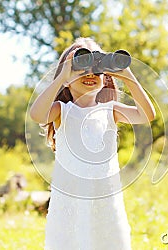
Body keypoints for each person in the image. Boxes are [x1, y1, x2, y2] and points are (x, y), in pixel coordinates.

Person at [30, 37, 155, 250]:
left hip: (105, 202)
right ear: (67, 80)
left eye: (97, 70)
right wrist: (62, 76)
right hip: (70, 205)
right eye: (81, 69)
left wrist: (127, 75)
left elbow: (147, 114)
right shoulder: (63, 111)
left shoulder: (111, 111)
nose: (90, 75)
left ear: (106, 78)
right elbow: (37, 114)